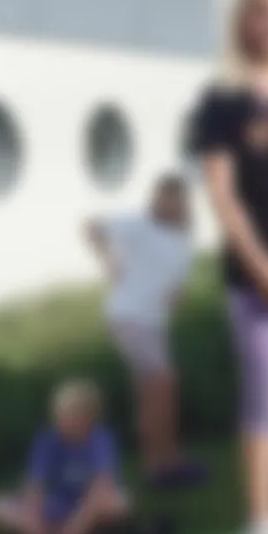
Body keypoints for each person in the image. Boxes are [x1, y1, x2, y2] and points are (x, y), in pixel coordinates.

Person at [192, 0, 268, 534]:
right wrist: (265, 269)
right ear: (244, 20)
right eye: (261, 10)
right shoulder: (223, 102)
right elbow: (223, 198)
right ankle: (261, 530)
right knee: (265, 402)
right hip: (258, 283)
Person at [86, 174, 203, 489]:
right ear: (157, 199)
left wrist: (176, 295)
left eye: (179, 197)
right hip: (131, 317)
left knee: (154, 392)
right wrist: (109, 262)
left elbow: (177, 280)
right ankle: (159, 467)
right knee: (161, 387)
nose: (174, 203)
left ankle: (168, 460)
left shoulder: (183, 236)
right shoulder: (138, 225)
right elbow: (91, 226)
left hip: (153, 320)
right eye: (167, 196)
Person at [0, 379, 130, 534]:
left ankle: (76, 533)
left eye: (72, 415)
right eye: (61, 415)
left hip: (87, 503)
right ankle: (46, 533)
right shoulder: (46, 440)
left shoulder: (100, 439)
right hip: (53, 502)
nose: (63, 420)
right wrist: (32, 520)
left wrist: (79, 523)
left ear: (89, 417)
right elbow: (34, 483)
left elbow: (102, 483)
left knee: (119, 502)